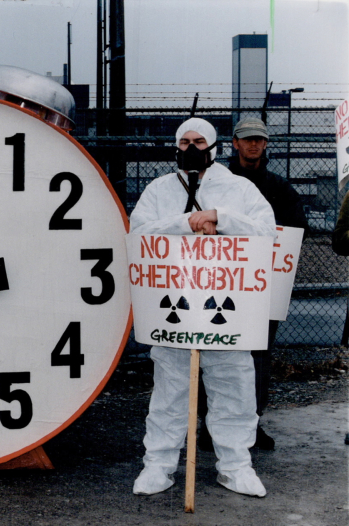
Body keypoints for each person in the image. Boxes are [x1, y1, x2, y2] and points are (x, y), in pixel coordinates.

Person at [130, 118, 276, 498]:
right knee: (169, 392)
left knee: (234, 390)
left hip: (225, 312)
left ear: (213, 146)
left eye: (198, 141)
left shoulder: (238, 188)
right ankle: (158, 466)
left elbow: (265, 230)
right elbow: (139, 232)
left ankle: (236, 466)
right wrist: (186, 224)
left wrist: (220, 219)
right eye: (184, 141)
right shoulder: (159, 189)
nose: (190, 147)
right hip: (174, 310)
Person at [198, 117, 310, 452]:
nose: (253, 145)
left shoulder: (279, 188)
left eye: (259, 140)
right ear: (234, 143)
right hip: (221, 285)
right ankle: (210, 426)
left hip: (263, 287)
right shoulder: (218, 184)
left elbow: (295, 232)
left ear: (265, 144)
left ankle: (253, 424)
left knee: (258, 358)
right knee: (215, 352)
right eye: (247, 140)